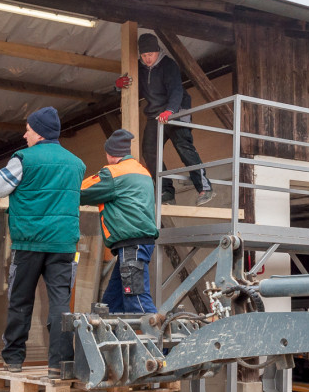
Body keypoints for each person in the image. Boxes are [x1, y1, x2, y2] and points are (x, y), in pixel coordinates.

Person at [0, 107, 85, 377]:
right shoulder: (77, 163)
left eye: (28, 129)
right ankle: (59, 364)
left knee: (20, 301)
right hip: (64, 245)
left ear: (40, 132)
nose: (25, 135)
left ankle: (13, 360)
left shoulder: (24, 159)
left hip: (29, 243)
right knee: (60, 305)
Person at [115, 33, 214, 206]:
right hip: (156, 115)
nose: (147, 59)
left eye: (150, 55)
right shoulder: (138, 68)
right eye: (144, 55)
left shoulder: (169, 65)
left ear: (157, 51)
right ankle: (166, 190)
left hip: (175, 110)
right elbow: (132, 88)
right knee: (149, 150)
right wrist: (118, 86)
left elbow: (176, 90)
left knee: (183, 146)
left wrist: (170, 110)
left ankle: (205, 188)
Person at [81, 129, 159, 314]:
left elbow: (81, 191)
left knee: (137, 302)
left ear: (110, 153)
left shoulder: (112, 174)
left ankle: (161, 343)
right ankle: (107, 341)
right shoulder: (143, 171)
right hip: (140, 244)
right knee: (111, 303)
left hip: (131, 245)